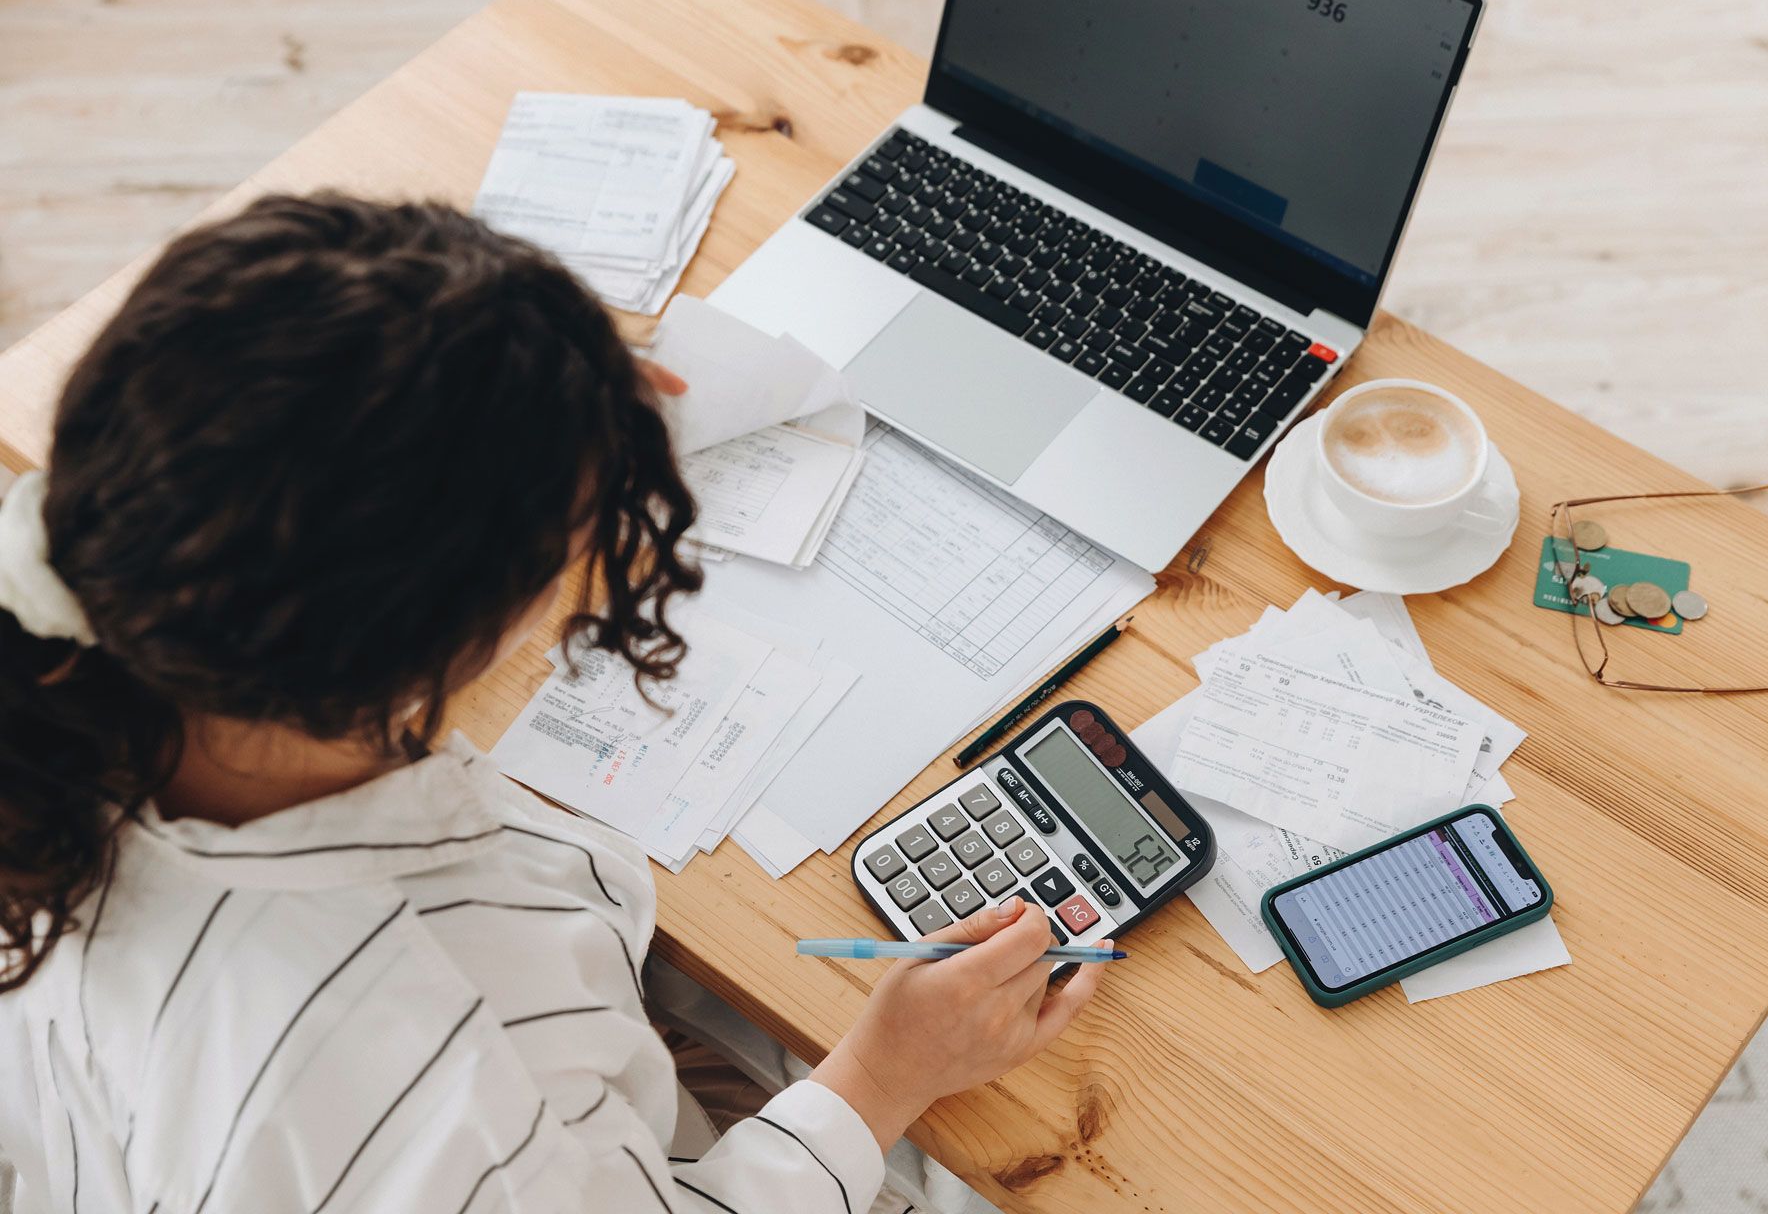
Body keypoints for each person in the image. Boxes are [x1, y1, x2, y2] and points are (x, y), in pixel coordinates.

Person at [0, 194, 1107, 1213]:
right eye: (584, 530)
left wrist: (531, 367)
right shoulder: (401, 1067)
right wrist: (881, 1075)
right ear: (445, 634)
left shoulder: (96, 650)